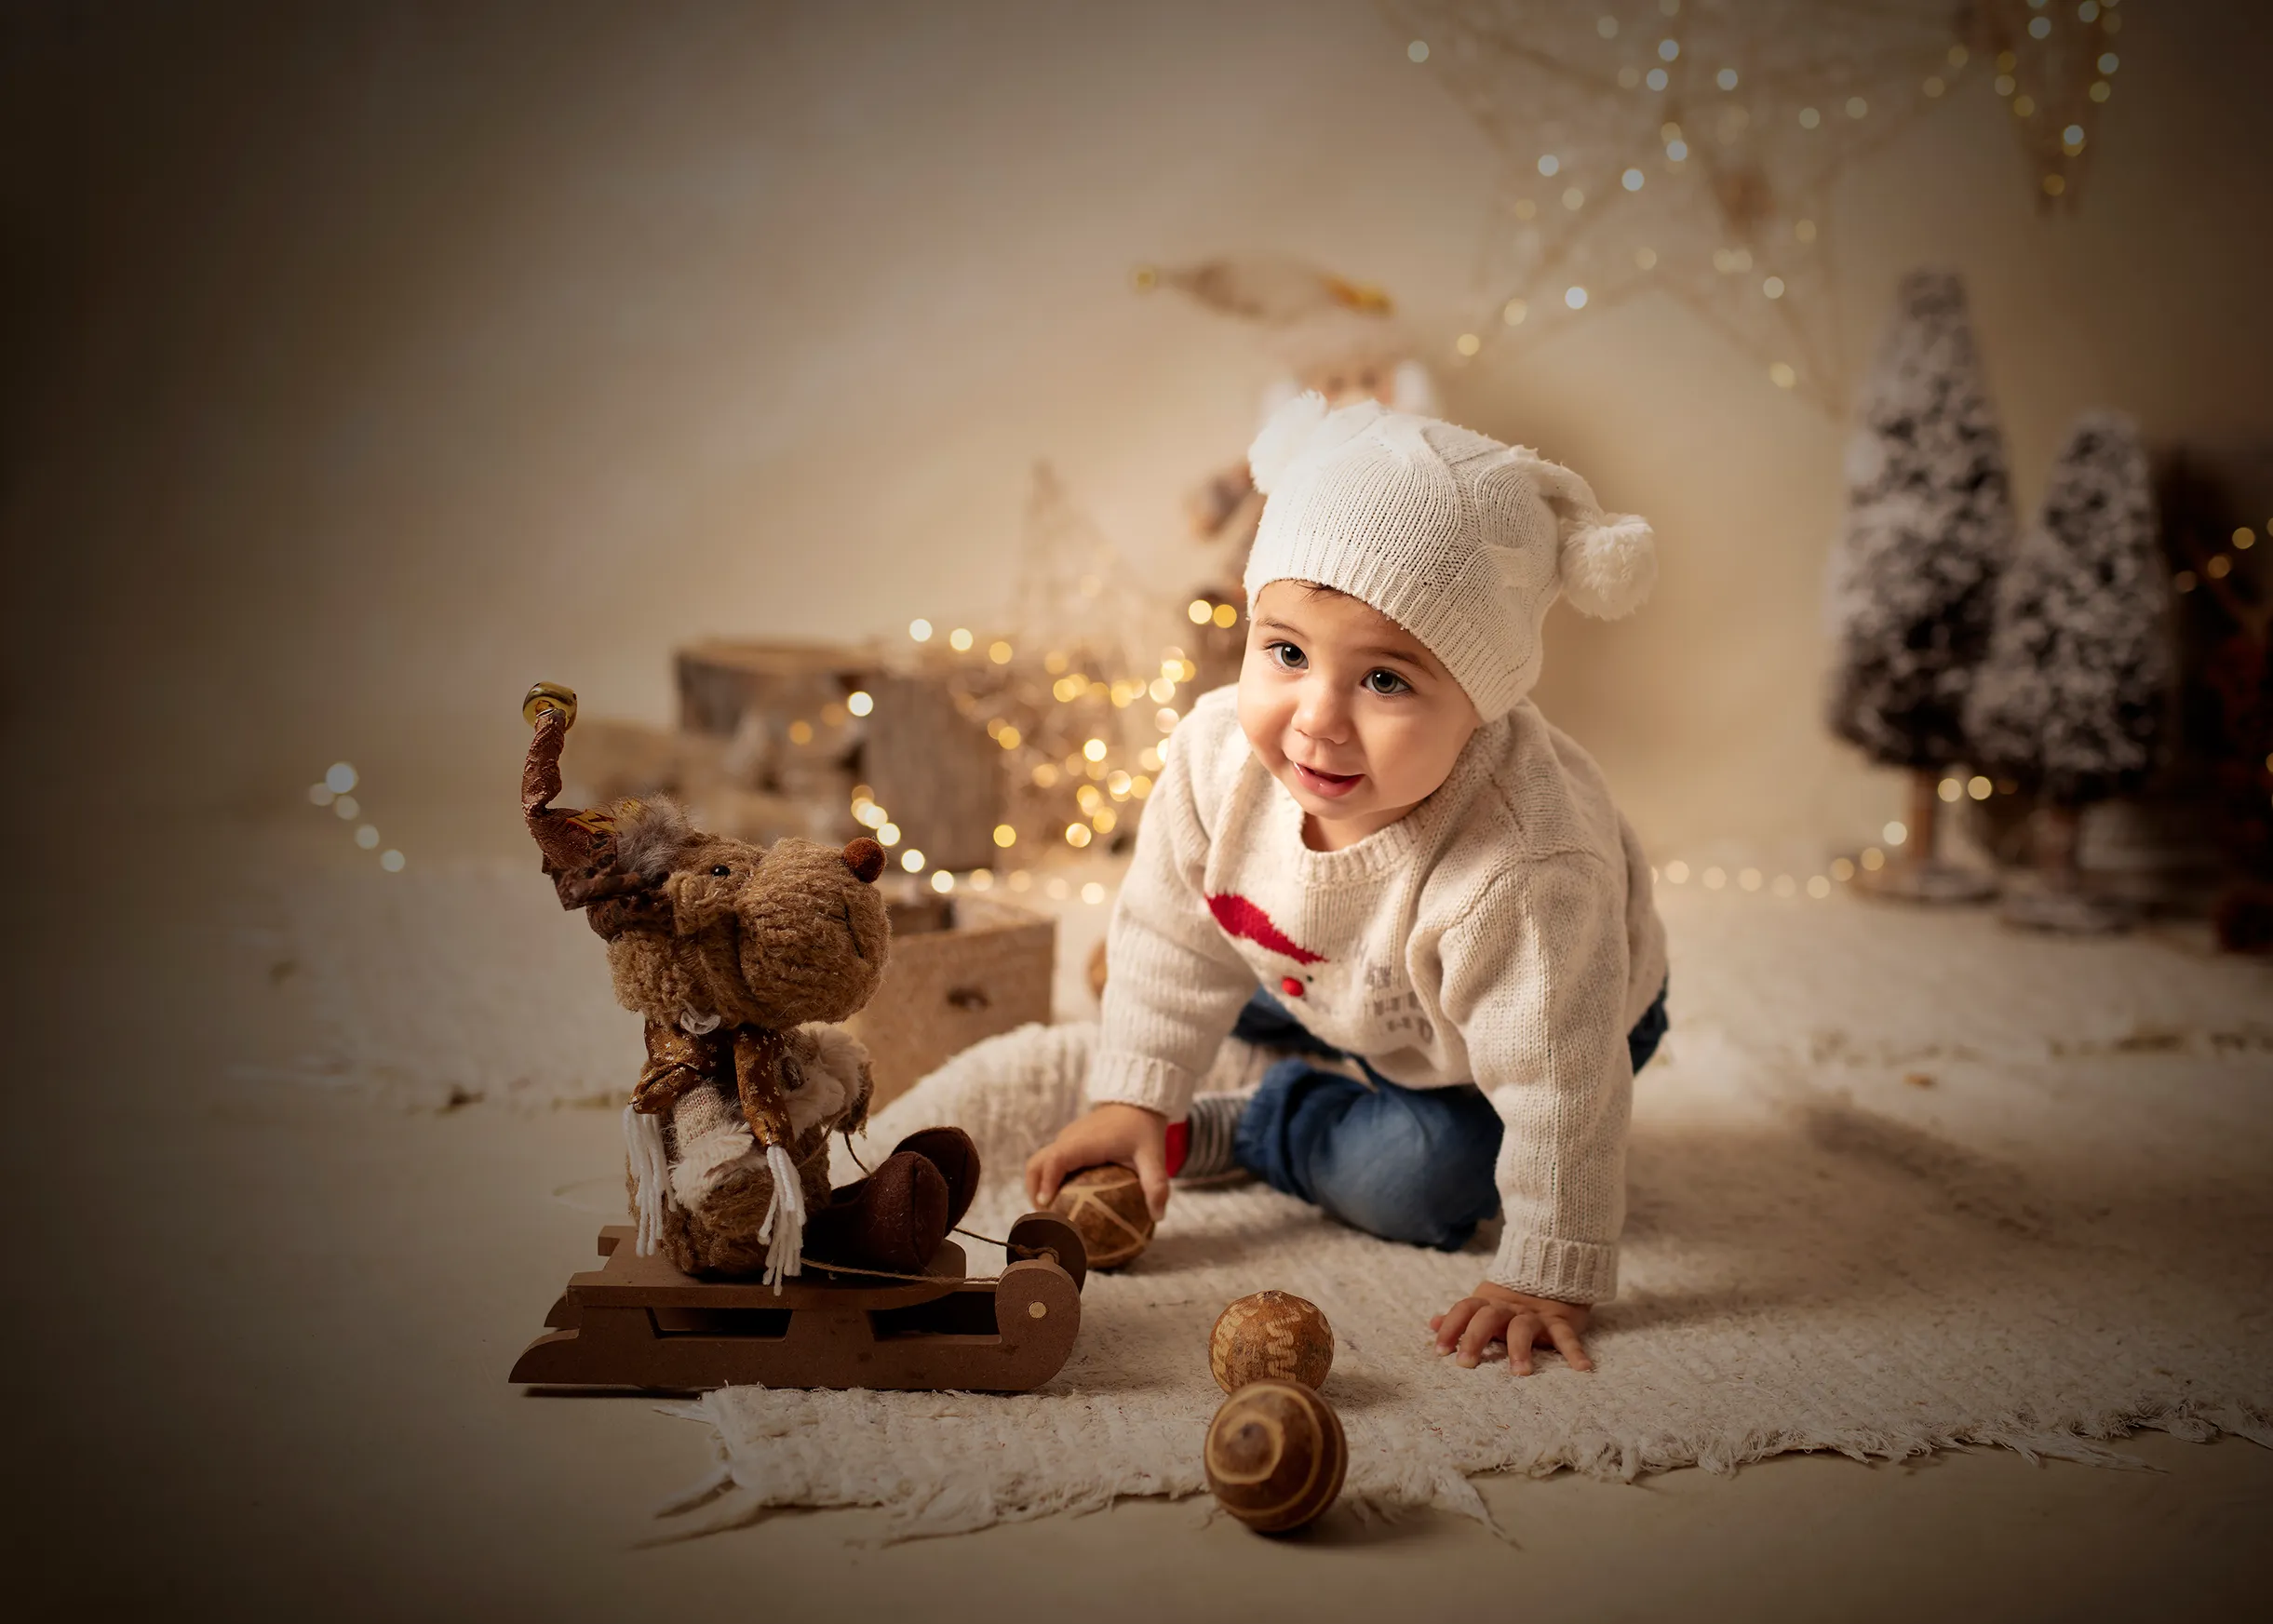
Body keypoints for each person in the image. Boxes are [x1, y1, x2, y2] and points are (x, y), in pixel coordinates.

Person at [1025, 391, 1668, 1376]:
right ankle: (1278, 1038)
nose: (1317, 718)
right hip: (1339, 964)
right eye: (1285, 651)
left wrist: (1548, 1266)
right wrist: (1131, 1095)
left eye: (1386, 680)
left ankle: (1268, 1122)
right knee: (1160, 980)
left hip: (1525, 1024)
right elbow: (1170, 932)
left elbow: (1561, 1082)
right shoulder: (1211, 763)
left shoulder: (1524, 867)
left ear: (1481, 701)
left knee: (1414, 1178)